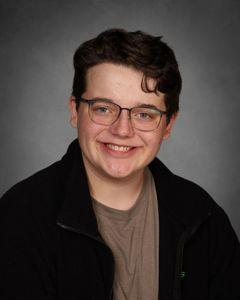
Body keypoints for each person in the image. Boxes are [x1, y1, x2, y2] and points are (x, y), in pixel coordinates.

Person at [0, 29, 240, 300]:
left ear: (168, 125)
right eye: (103, 108)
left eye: (144, 114)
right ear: (74, 111)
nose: (123, 130)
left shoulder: (204, 218)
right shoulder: (20, 218)